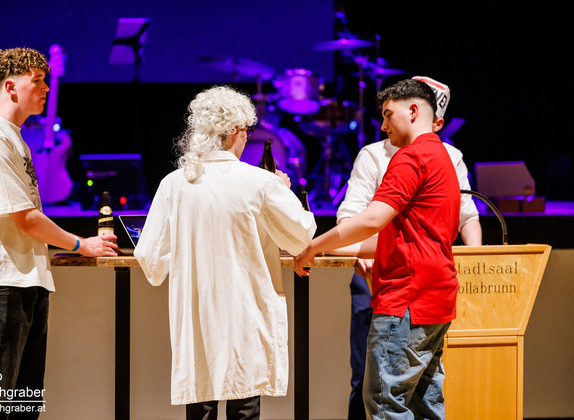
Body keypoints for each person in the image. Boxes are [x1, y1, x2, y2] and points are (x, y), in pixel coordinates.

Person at [134, 85, 316, 419]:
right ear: (235, 130)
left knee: (200, 402)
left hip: (198, 319)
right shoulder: (260, 182)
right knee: (244, 403)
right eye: (246, 131)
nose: (246, 138)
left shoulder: (174, 184)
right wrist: (284, 190)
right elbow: (300, 237)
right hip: (245, 316)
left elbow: (149, 258)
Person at [0, 47, 118, 419]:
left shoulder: (14, 138)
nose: (46, 88)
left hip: (23, 281)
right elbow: (25, 218)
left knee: (24, 407)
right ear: (11, 87)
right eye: (38, 80)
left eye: (46, 80)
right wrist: (81, 244)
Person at [294, 78, 460, 418]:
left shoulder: (411, 156)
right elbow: (401, 238)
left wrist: (315, 244)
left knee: (385, 403)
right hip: (436, 295)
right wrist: (326, 249)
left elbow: (372, 220)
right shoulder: (444, 156)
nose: (383, 126)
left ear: (412, 111)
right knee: (424, 404)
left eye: (387, 114)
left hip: (407, 299)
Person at [336, 76, 482, 419]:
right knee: (381, 381)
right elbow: (353, 214)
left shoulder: (426, 155)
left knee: (386, 395)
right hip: (384, 272)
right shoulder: (375, 154)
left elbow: (466, 214)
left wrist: (472, 263)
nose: (385, 124)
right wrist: (353, 251)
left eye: (389, 115)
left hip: (409, 285)